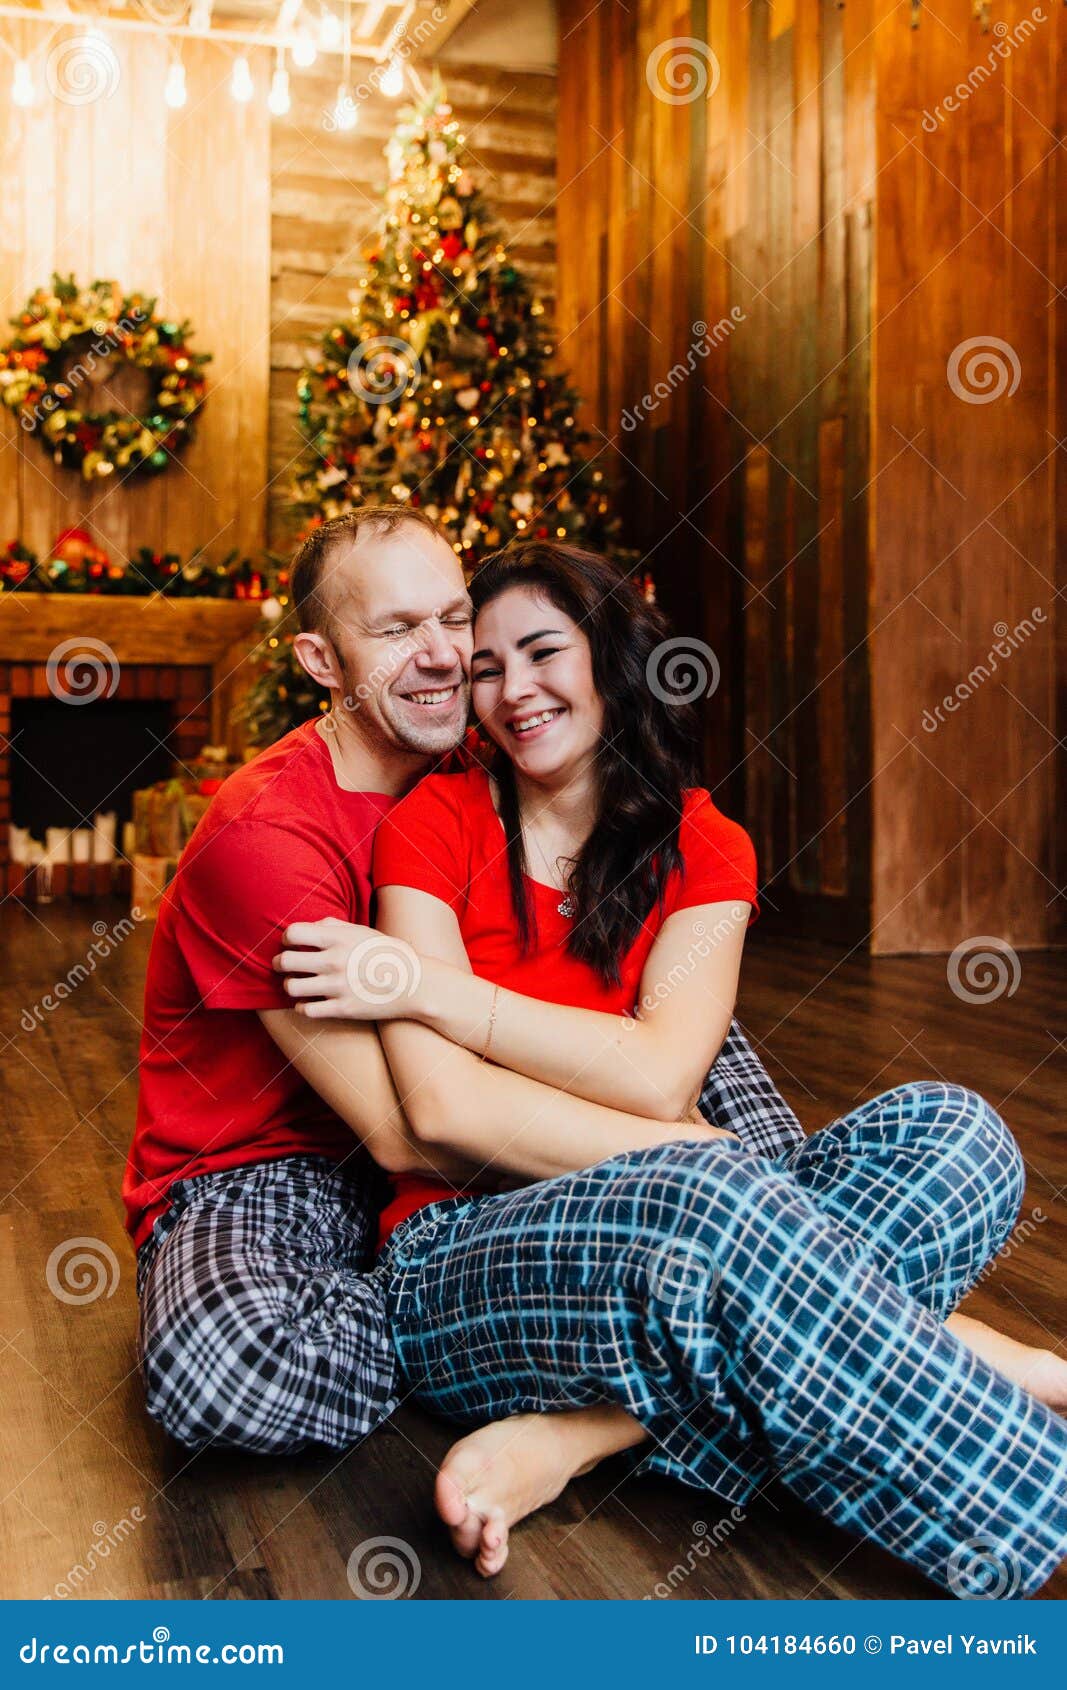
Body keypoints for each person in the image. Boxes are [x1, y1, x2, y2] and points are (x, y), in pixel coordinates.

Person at [277, 537, 1067, 1595]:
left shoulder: (704, 842)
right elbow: (440, 1105)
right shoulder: (434, 824)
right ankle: (1028, 1504)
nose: (514, 691)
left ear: (608, 655)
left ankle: (584, 1435)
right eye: (486, 668)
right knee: (717, 1200)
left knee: (955, 1133)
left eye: (544, 652)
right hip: (458, 1251)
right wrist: (695, 1163)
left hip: (683, 1224)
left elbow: (657, 1074)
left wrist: (437, 991)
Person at [127, 508, 801, 1466]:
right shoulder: (266, 835)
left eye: (454, 619)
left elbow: (614, 975)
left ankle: (681, 1325)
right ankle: (503, 1324)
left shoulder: (485, 754)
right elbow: (408, 1128)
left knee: (690, 1019)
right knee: (231, 1371)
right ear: (322, 662)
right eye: (399, 631)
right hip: (283, 1167)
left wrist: (669, 1084)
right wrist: (695, 1164)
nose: (445, 654)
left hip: (485, 1107)